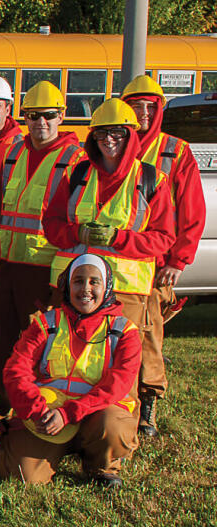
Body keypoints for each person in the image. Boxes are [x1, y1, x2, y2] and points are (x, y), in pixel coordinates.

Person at [42, 98, 174, 437]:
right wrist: (77, 233)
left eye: (117, 133)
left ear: (131, 135)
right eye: (102, 134)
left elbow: (163, 239)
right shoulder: (77, 174)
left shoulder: (152, 179)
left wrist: (119, 239)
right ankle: (66, 422)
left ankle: (117, 430)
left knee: (122, 361)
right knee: (68, 356)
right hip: (76, 287)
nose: (109, 141)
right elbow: (52, 225)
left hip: (126, 289)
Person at [0, 81, 85, 410]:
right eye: (32, 116)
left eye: (48, 116)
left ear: (62, 116)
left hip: (45, 270)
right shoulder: (11, 152)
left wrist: (61, 281)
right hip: (6, 265)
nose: (40, 123)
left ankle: (30, 411)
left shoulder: (77, 159)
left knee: (37, 347)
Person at [0, 255, 141, 487]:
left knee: (112, 425)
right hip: (48, 415)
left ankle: (101, 466)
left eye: (95, 282)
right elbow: (16, 370)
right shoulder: (46, 323)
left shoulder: (124, 331)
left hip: (96, 415)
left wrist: (69, 414)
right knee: (23, 477)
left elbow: (118, 384)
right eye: (78, 281)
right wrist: (36, 410)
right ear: (67, 285)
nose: (86, 289)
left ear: (108, 287)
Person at [121, 75, 205, 436]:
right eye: (135, 105)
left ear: (159, 109)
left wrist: (177, 261)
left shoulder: (175, 151)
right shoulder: (110, 144)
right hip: (115, 263)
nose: (141, 112)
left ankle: (148, 406)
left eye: (148, 106)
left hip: (154, 267)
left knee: (149, 337)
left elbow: (192, 211)